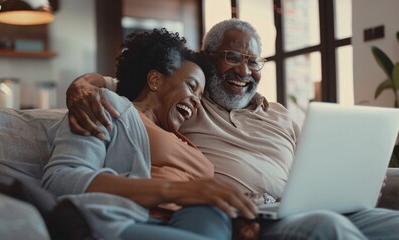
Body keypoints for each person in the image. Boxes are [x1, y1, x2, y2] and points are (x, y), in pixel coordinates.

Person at [65, 19, 399, 239]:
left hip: (297, 206)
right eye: (233, 56)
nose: (244, 70)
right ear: (207, 59)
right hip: (255, 217)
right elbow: (125, 87)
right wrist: (82, 87)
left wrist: (357, 177)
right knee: (330, 228)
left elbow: (313, 170)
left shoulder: (280, 114)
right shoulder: (184, 100)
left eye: (254, 62)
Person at [41, 28, 258, 240]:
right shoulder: (107, 106)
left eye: (200, 97)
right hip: (132, 221)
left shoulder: (185, 139)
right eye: (191, 87)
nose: (196, 102)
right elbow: (60, 179)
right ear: (155, 80)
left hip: (197, 220)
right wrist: (173, 190)